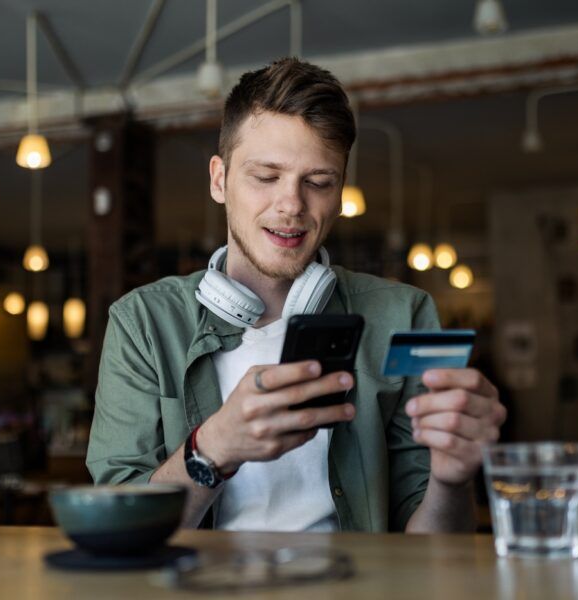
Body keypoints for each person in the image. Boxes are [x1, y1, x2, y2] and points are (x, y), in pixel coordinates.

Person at [86, 57, 505, 533]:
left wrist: (451, 481)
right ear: (219, 179)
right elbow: (113, 529)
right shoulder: (139, 321)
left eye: (318, 182)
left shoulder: (407, 313)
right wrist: (213, 447)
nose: (291, 205)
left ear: (341, 192)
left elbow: (433, 549)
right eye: (266, 177)